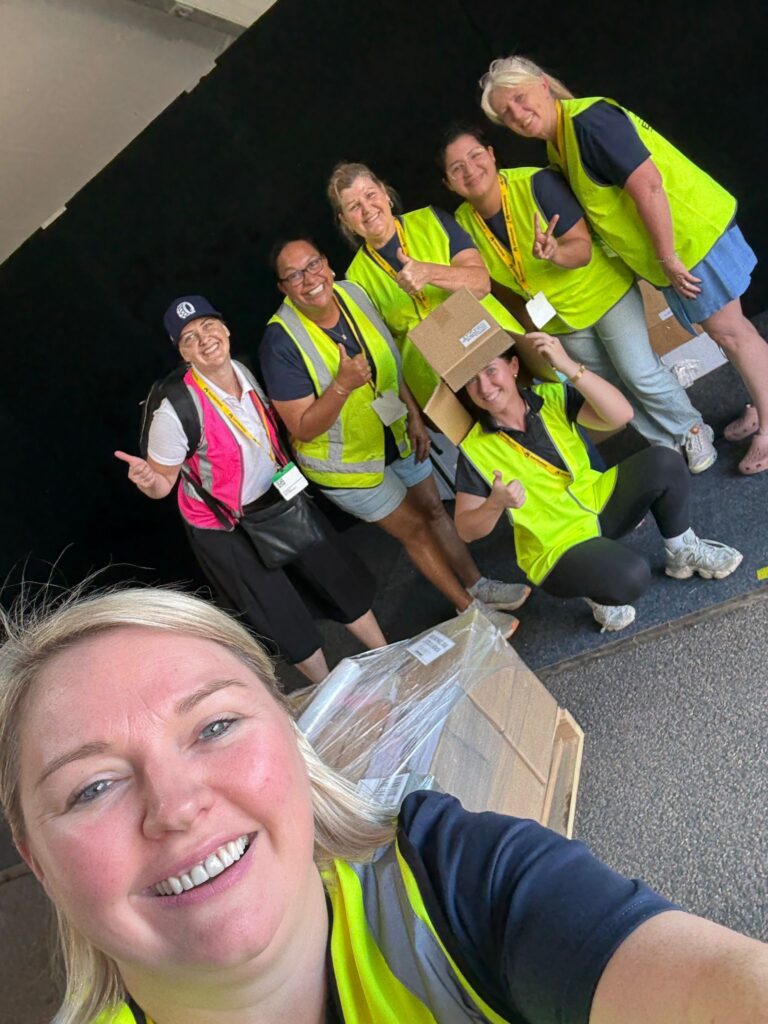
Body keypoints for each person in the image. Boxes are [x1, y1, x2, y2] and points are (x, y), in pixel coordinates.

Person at [2, 586, 767, 1024]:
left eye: (215, 726)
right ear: (36, 858)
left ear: (292, 739)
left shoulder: (456, 881)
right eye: (92, 786)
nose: (175, 806)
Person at [479, 55, 768, 475]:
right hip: (678, 247)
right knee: (727, 335)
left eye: (521, 99)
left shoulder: (589, 122)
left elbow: (648, 186)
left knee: (734, 333)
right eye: (507, 114)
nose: (519, 115)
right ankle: (761, 406)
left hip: (691, 239)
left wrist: (668, 257)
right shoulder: (559, 143)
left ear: (543, 85)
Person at [259, 238, 529, 637]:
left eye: (313, 264)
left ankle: (478, 585)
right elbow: (302, 427)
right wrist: (341, 386)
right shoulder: (279, 343)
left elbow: (389, 360)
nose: (309, 279)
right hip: (348, 465)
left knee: (436, 511)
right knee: (416, 528)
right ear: (283, 288)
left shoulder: (352, 293)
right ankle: (468, 609)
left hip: (394, 430)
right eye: (294, 275)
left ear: (328, 264)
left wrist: (414, 415)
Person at [115, 295, 387, 684]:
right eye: (190, 337)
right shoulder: (174, 410)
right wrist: (148, 480)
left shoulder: (242, 370)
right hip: (224, 525)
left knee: (336, 575)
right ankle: (331, 690)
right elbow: (162, 487)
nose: (204, 339)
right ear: (183, 353)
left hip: (277, 497)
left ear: (224, 328)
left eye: (208, 326)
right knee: (278, 610)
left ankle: (386, 649)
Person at [439, 124, 716, 473]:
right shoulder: (462, 224)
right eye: (456, 168)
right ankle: (664, 443)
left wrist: (554, 252)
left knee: (639, 372)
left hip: (604, 295)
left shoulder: (536, 183)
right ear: (448, 183)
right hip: (558, 319)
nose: (470, 170)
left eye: (475, 156)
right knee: (607, 386)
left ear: (491, 155)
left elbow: (582, 250)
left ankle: (692, 428)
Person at [454, 335, 743, 632]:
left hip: (597, 500)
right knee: (633, 577)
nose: (484, 387)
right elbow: (466, 529)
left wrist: (568, 366)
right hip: (557, 547)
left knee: (664, 461)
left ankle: (682, 550)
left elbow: (620, 415)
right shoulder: (474, 449)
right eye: (471, 381)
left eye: (490, 371)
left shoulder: (553, 396)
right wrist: (494, 504)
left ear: (513, 366)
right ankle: (597, 594)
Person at [326, 160, 545, 409]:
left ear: (385, 194)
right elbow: (382, 351)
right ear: (345, 221)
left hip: (491, 352)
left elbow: (481, 284)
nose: (367, 209)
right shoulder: (354, 279)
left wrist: (429, 273)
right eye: (355, 206)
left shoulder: (431, 219)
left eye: (370, 195)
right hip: (439, 387)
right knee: (484, 445)